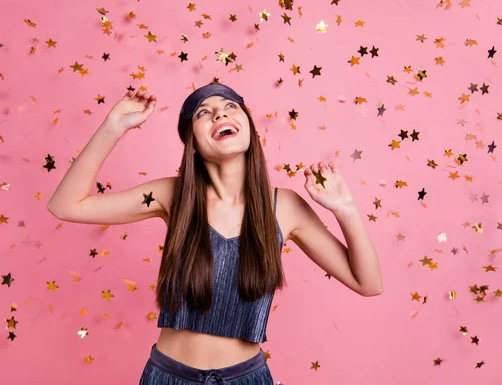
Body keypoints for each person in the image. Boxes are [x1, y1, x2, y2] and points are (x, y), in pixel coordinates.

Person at [47, 82, 383, 384]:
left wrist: (345, 208)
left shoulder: (285, 206)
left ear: (249, 128)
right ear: (191, 144)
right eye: (203, 113)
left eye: (230, 106)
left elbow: (368, 284)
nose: (219, 112)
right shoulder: (172, 196)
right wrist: (113, 127)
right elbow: (66, 206)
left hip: (246, 378)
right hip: (169, 377)